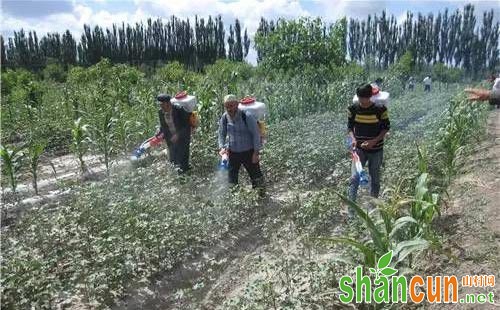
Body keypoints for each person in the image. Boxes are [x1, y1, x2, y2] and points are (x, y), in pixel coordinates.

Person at [347, 84, 390, 211]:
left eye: (364, 98)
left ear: (370, 97)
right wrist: (353, 139)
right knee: (354, 179)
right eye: (360, 98)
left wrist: (373, 141)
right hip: (359, 150)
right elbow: (350, 127)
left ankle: (372, 208)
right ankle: (352, 212)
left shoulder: (380, 109)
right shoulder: (353, 109)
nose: (362, 102)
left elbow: (386, 128)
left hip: (376, 150)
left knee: (375, 178)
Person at [218, 94, 264, 191]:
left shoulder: (246, 116)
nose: (229, 109)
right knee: (232, 179)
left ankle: (261, 196)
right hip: (233, 152)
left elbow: (256, 134)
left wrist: (256, 153)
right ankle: (235, 199)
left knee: (256, 177)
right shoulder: (225, 117)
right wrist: (222, 147)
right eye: (227, 106)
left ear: (237, 104)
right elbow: (221, 133)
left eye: (231, 106)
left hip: (249, 152)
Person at [157, 93, 191, 173]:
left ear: (168, 104)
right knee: (173, 161)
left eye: (163, 105)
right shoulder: (161, 113)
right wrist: (160, 134)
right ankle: (177, 179)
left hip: (183, 139)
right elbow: (163, 126)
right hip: (171, 141)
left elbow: (186, 126)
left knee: (183, 163)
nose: (161, 108)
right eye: (160, 105)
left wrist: (178, 135)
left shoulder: (179, 110)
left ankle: (186, 178)